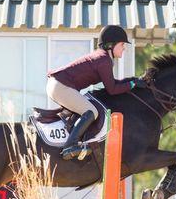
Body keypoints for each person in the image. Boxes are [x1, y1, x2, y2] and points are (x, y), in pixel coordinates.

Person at [47, 25, 148, 160]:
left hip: (58, 84)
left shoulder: (102, 57)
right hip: (60, 86)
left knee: (87, 110)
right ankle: (69, 146)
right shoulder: (104, 60)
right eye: (122, 44)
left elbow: (112, 84)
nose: (124, 47)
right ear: (111, 45)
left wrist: (133, 81)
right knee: (91, 112)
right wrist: (132, 84)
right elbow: (112, 90)